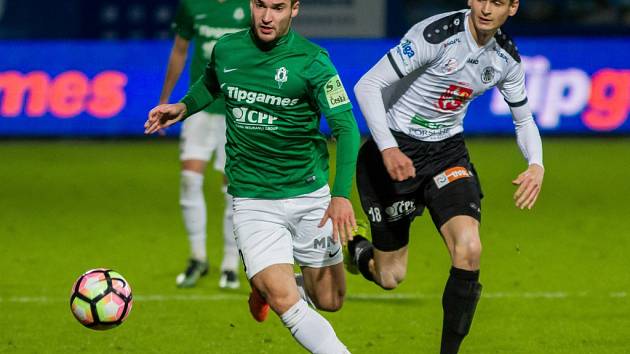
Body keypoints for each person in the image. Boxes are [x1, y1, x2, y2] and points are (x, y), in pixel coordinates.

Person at [145, 1, 360, 352]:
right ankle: (272, 285)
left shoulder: (313, 61)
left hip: (310, 197)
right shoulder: (228, 48)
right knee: (284, 300)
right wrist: (183, 107)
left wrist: (340, 196)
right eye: (260, 5)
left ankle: (265, 281)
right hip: (253, 198)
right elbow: (211, 83)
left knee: (330, 300)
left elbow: (347, 128)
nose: (266, 16)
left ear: (294, 9)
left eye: (277, 7)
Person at [348, 1, 544, 353]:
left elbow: (524, 120)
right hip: (392, 151)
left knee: (469, 248)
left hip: (446, 154)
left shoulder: (506, 59)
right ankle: (355, 247)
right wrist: (389, 148)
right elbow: (367, 86)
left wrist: (536, 164)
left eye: (498, 2)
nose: (487, 8)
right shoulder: (435, 35)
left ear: (512, 7)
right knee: (390, 276)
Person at [158, 0, 249, 289]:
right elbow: (180, 51)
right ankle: (198, 257)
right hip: (198, 107)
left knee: (231, 189)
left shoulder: (249, 7)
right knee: (189, 179)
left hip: (235, 111)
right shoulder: (191, 5)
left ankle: (230, 264)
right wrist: (165, 100)